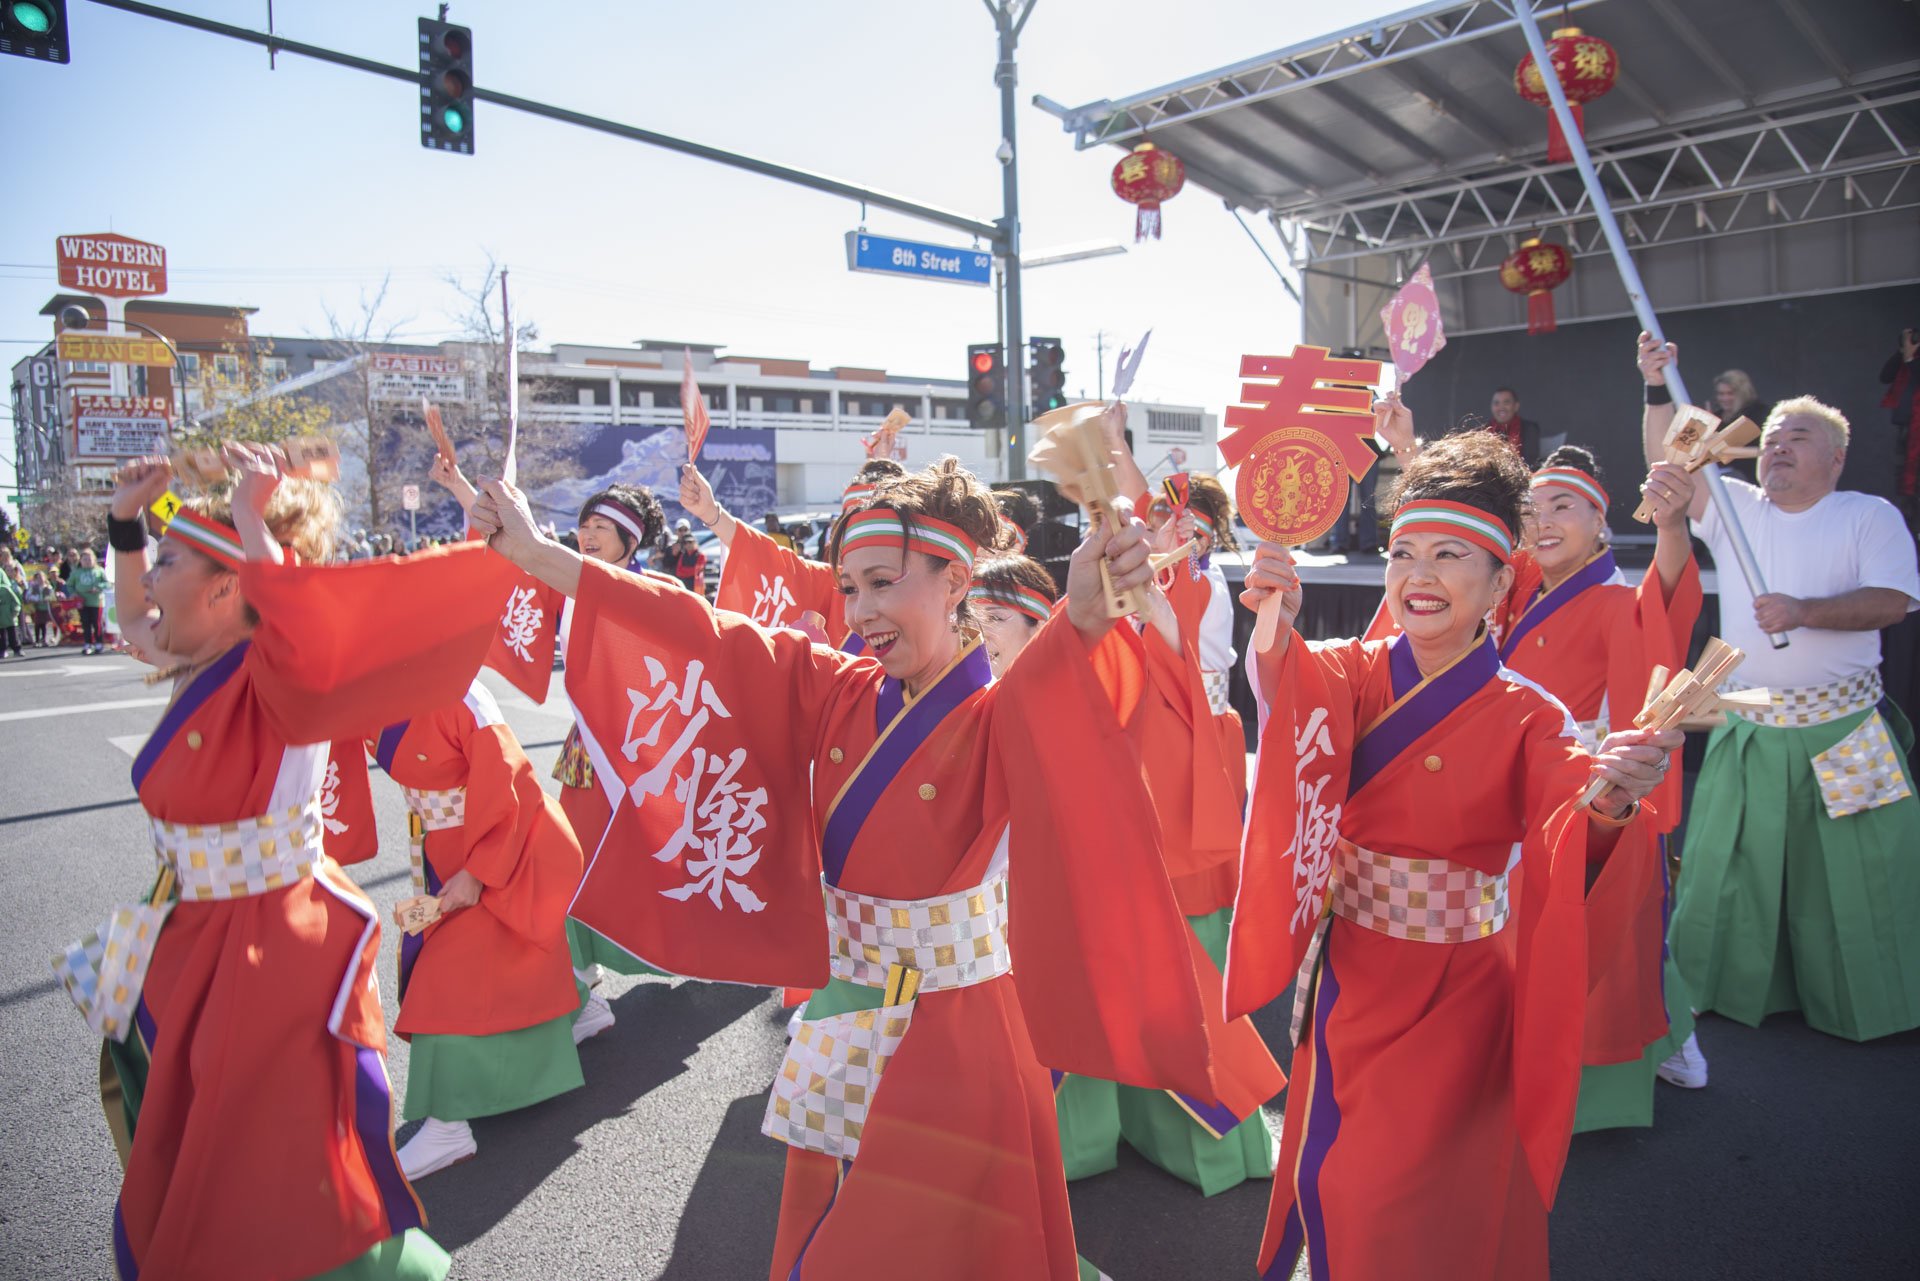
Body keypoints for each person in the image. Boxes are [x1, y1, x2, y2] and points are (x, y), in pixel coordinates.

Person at [470, 457, 1240, 1281]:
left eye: (882, 582)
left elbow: (1059, 678)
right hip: (845, 1004)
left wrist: (1084, 615)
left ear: (955, 582)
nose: (861, 610)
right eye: (849, 588)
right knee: (838, 1222)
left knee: (894, 1247)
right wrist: (540, 556)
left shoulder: (997, 709)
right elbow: (702, 630)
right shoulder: (836, 685)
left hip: (954, 1027)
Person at [52, 447, 520, 1281]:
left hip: (268, 947)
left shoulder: (279, 678)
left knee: (259, 1160)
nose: (147, 581)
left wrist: (247, 517)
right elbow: (131, 619)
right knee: (196, 1135)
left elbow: (297, 620)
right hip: (195, 930)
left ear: (228, 588)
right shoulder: (194, 658)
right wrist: (126, 526)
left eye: (165, 562)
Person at [1230, 432, 1682, 1281]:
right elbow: (1291, 700)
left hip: (1463, 986)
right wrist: (1273, 626)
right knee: (1344, 1176)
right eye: (1403, 553)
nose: (1418, 575)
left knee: (1433, 1190)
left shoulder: (1530, 714)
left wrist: (1616, 797)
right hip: (1355, 969)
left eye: (1449, 554)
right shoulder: (1353, 670)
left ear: (1502, 580)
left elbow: (1571, 821)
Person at [1638, 333, 1920, 1044]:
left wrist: (1804, 611)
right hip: (1751, 722)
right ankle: (1724, 992)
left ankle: (1872, 1000)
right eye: (1771, 438)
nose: (1779, 447)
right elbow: (1669, 459)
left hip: (1847, 727)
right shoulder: (1735, 510)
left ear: (1837, 457)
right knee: (1735, 870)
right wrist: (1654, 383)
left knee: (1860, 876)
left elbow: (1893, 601)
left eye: (1800, 437)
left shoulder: (1868, 515)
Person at [430, 457, 671, 1042]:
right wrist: (463, 487)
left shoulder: (657, 592)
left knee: (652, 870)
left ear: (629, 541)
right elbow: (514, 555)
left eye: (600, 529)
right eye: (584, 525)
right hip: (589, 757)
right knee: (567, 870)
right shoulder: (569, 580)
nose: (586, 535)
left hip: (643, 761)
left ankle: (684, 949)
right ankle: (582, 991)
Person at [1503, 444, 1705, 1128]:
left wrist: (1673, 525)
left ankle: (1646, 1050)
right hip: (1517, 785)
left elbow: (1665, 603)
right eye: (1532, 509)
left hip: (1588, 787)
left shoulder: (1619, 600)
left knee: (1606, 934)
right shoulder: (1523, 587)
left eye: (1564, 506)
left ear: (1601, 521)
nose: (1544, 520)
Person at [687, 458, 905, 642]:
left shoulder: (921, 586)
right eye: (849, 522)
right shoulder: (830, 582)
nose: (857, 534)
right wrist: (711, 514)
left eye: (871, 524)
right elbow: (768, 561)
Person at [1881, 326, 1918, 530]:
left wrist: (1911, 359)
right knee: (1905, 484)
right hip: (1906, 431)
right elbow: (1885, 376)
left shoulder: (1914, 363)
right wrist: (1902, 352)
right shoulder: (1907, 359)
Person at [65, 547, 109, 655]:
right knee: (85, 623)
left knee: (97, 623)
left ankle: (99, 643)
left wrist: (98, 587)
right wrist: (73, 593)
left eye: (89, 559)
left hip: (96, 601)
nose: (87, 562)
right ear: (81, 560)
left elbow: (107, 583)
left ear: (94, 560)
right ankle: (88, 644)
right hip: (82, 602)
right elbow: (69, 585)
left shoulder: (99, 571)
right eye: (85, 559)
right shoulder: (77, 572)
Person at [1487, 386, 1542, 466]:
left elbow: (1530, 461)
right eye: (1496, 403)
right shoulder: (1484, 430)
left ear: (1516, 406)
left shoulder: (1529, 429)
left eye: (1506, 403)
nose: (1501, 407)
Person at [662, 519, 708, 596]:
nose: (683, 532)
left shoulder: (698, 553)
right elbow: (668, 566)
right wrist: (673, 555)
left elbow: (698, 570)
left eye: (685, 530)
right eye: (680, 530)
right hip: (676, 584)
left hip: (694, 587)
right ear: (676, 531)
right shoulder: (671, 548)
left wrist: (686, 571)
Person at [24, 570, 55, 647]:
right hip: (36, 608)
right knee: (37, 624)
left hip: (45, 608)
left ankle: (44, 639)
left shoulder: (48, 587)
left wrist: (47, 598)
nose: (40, 579)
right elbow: (28, 596)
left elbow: (52, 597)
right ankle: (37, 640)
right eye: (38, 578)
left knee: (44, 624)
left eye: (41, 577)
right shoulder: (33, 588)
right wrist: (35, 599)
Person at [0, 565, 21, 658]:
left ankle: (17, 649)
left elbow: (15, 601)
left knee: (13, 634)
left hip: (9, 616)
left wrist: (15, 611)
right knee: (2, 636)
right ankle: (2, 650)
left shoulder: (6, 589)